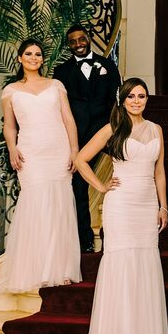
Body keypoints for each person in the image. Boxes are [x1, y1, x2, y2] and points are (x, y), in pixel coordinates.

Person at [74, 77, 168, 334]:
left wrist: (163, 206)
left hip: (146, 205)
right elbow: (80, 160)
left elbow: (160, 172)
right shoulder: (112, 129)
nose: (137, 101)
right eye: (132, 96)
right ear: (123, 99)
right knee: (122, 265)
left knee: (144, 265)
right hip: (121, 204)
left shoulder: (157, 130)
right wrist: (101, 187)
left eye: (141, 96)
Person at [0, 38, 81, 292]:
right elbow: (10, 126)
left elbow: (68, 119)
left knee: (59, 207)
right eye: (28, 54)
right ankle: (36, 269)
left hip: (57, 151)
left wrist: (75, 150)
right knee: (36, 206)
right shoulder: (10, 91)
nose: (33, 58)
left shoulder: (56, 85)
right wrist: (12, 148)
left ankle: (61, 268)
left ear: (42, 59)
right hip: (31, 153)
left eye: (37, 54)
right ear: (20, 59)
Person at [54, 24, 121, 253]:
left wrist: (116, 130)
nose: (78, 44)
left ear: (89, 38)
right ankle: (85, 241)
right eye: (72, 41)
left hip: (106, 132)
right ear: (69, 44)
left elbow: (116, 100)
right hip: (78, 137)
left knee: (127, 169)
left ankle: (119, 235)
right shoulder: (61, 72)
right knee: (78, 186)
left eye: (81, 39)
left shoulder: (107, 65)